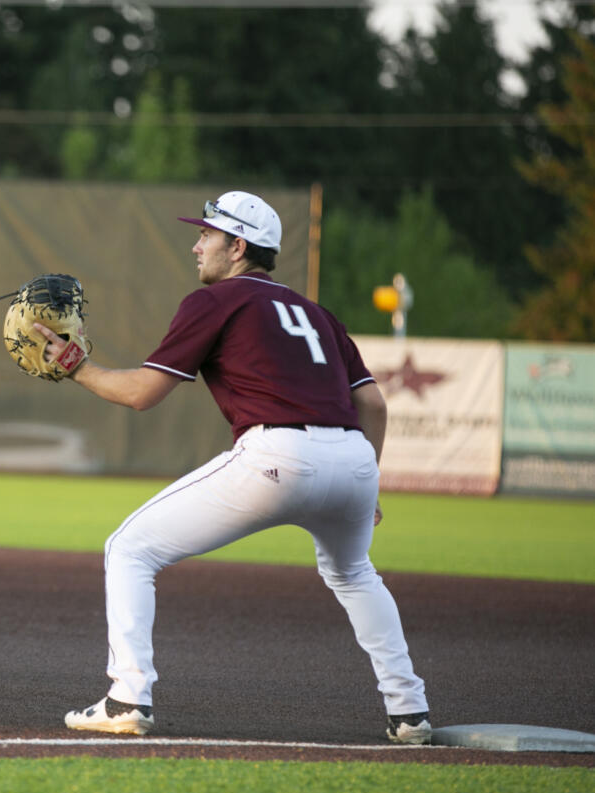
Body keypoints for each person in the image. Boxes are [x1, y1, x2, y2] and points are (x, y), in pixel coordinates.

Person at [36, 191, 430, 744]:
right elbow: (373, 405)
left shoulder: (215, 301)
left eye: (207, 235)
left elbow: (142, 394)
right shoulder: (318, 313)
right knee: (354, 573)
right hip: (354, 461)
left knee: (130, 549)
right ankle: (409, 711)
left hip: (279, 456)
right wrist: (368, 483)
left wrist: (78, 367)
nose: (196, 245)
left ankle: (127, 697)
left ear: (238, 247)